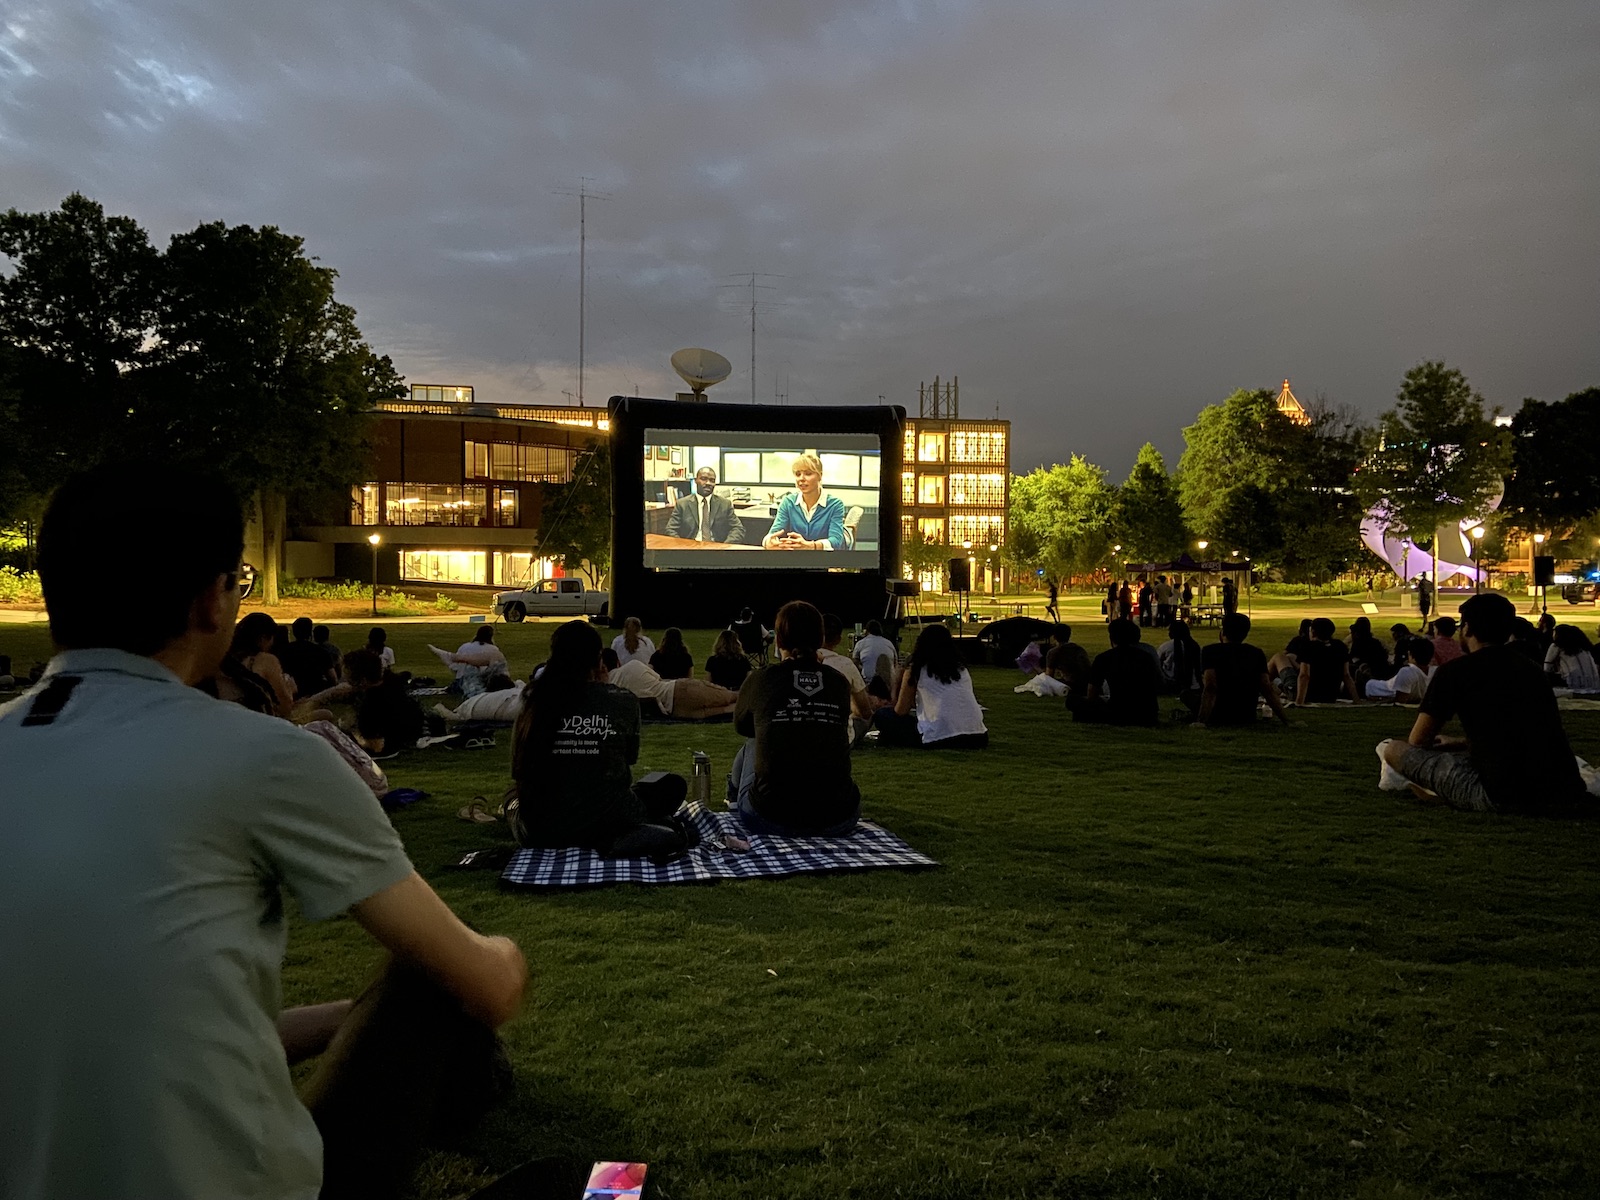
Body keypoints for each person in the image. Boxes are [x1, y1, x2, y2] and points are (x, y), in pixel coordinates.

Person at [0, 462, 526, 1200]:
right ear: (214, 600)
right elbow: (485, 982)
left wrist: (346, 1021)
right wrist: (505, 955)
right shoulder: (262, 755)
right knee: (430, 980)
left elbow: (140, 1037)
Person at [1380, 592, 1591, 815]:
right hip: (1563, 790)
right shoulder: (1533, 670)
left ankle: (1443, 793)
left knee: (1393, 749)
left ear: (1468, 628)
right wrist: (1461, 742)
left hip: (1502, 794)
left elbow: (1418, 740)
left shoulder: (1454, 672)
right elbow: (1523, 733)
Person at [510, 620, 691, 857]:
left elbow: (518, 769)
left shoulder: (533, 699)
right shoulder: (621, 699)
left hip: (541, 827)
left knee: (513, 801)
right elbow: (627, 758)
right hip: (610, 819)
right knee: (669, 787)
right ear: (598, 660)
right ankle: (625, 836)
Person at [730, 600, 862, 833]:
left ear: (778, 640)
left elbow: (742, 726)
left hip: (770, 815)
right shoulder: (837, 681)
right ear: (821, 639)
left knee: (754, 738)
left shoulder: (762, 679)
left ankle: (732, 796)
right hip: (838, 816)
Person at [870, 622, 989, 748]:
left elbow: (900, 710)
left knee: (882, 715)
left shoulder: (916, 670)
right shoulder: (961, 669)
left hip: (940, 736)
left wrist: (896, 684)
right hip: (978, 735)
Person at [1195, 613, 1289, 727]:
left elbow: (1210, 686)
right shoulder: (1256, 653)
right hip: (1246, 714)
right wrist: (1286, 721)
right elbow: (1266, 687)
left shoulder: (1210, 651)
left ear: (1223, 632)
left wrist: (1201, 721)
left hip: (1217, 714)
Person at [1068, 618, 1161, 725]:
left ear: (1112, 637)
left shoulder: (1104, 658)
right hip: (1148, 714)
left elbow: (1092, 694)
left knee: (1073, 701)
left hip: (1118, 713)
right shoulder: (1146, 657)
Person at [344, 648, 426, 754]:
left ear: (362, 680)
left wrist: (350, 733)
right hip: (413, 728)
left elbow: (376, 747)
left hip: (394, 737)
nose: (344, 679)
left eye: (346, 676)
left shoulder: (371, 708)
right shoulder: (393, 684)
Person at [761, 453, 847, 550]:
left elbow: (836, 541)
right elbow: (773, 533)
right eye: (798, 474)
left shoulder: (835, 505)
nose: (801, 478)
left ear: (820, 476)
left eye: (808, 473)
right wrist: (768, 542)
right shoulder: (788, 502)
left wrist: (811, 546)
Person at [611, 656, 739, 719]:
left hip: (676, 711)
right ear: (617, 662)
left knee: (726, 710)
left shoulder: (611, 690)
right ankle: (756, 698)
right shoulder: (632, 666)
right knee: (732, 697)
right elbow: (658, 679)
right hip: (677, 690)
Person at [819, 612, 879, 742]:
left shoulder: (794, 665)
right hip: (838, 736)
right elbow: (864, 711)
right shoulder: (844, 664)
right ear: (839, 639)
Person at [229, 611, 296, 717]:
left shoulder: (223, 659)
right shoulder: (265, 660)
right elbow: (284, 707)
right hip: (261, 720)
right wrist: (290, 689)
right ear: (263, 638)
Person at [665, 465, 744, 544]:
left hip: (717, 549)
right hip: (690, 549)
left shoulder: (725, 504)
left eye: (712, 480)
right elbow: (670, 529)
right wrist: (683, 546)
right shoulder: (682, 504)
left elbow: (738, 528)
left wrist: (724, 546)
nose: (708, 483)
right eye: (703, 479)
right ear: (696, 481)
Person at [1295, 617, 1360, 704]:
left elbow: (1304, 675)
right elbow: (1346, 675)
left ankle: (1271, 692)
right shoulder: (1340, 647)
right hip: (1331, 695)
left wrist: (1299, 702)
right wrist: (1356, 699)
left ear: (1313, 632)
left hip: (1309, 694)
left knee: (1279, 658)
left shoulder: (1308, 647)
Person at [281, 615, 336, 698]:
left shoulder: (284, 651)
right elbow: (332, 678)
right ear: (311, 633)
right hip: (316, 691)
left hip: (293, 692)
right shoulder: (321, 652)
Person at [1365, 638, 1435, 702]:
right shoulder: (1435, 672)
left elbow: (1400, 700)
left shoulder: (1407, 672)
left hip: (1373, 689)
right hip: (1382, 685)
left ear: (1410, 654)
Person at [1545, 624, 1600, 691]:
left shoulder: (1556, 646)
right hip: (1594, 684)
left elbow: (1547, 668)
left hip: (1572, 684)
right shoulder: (1585, 648)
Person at [1156, 619, 1202, 696]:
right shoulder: (1195, 646)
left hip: (1170, 682)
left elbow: (1157, 664)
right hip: (1193, 684)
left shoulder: (1166, 647)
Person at [1045, 625, 1092, 698]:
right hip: (1087, 684)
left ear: (1054, 637)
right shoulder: (1079, 649)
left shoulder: (1053, 652)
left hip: (1071, 685)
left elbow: (1049, 676)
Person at [852, 619, 898, 692]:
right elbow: (895, 664)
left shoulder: (861, 643)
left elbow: (854, 665)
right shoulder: (889, 643)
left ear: (867, 631)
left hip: (868, 683)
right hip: (888, 683)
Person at [1346, 616, 1393, 688]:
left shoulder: (1358, 643)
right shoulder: (1375, 642)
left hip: (1369, 671)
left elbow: (1353, 657)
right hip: (1381, 671)